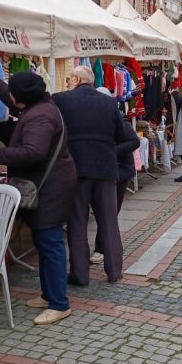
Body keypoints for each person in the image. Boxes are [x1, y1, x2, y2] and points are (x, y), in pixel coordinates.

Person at [0, 70, 77, 323]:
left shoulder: (39, 116)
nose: (11, 96)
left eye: (13, 91)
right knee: (44, 240)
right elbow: (11, 97)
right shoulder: (39, 107)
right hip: (50, 184)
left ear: (22, 96)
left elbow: (34, 152)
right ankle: (49, 294)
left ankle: (59, 304)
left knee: (50, 243)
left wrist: (1, 156)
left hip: (50, 188)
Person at [54, 66, 132, 285]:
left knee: (77, 222)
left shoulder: (61, 100)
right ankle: (114, 270)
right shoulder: (108, 102)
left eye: (70, 78)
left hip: (77, 168)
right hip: (106, 168)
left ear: (77, 79)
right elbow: (120, 134)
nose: (68, 81)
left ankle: (80, 274)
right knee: (109, 221)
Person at [91, 89, 141, 266]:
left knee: (109, 213)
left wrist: (110, 152)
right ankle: (104, 249)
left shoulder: (117, 117)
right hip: (102, 170)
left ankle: (102, 249)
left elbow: (134, 141)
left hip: (119, 172)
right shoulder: (93, 118)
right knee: (103, 212)